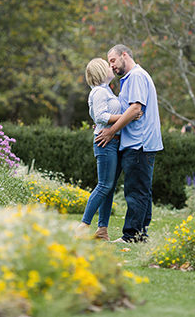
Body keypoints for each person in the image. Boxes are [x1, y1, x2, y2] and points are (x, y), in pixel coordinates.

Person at [95, 44, 162, 243]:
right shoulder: (130, 79)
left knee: (135, 191)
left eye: (113, 60)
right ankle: (140, 235)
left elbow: (135, 109)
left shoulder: (136, 76)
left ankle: (131, 236)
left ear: (124, 55)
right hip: (137, 143)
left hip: (139, 143)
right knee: (142, 190)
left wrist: (110, 132)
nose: (111, 66)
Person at [73, 58, 128, 241]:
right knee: (104, 185)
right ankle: (83, 226)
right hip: (105, 143)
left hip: (113, 142)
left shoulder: (106, 91)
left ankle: (102, 231)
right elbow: (101, 117)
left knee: (109, 187)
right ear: (101, 71)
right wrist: (127, 116)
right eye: (107, 66)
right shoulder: (98, 92)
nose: (112, 68)